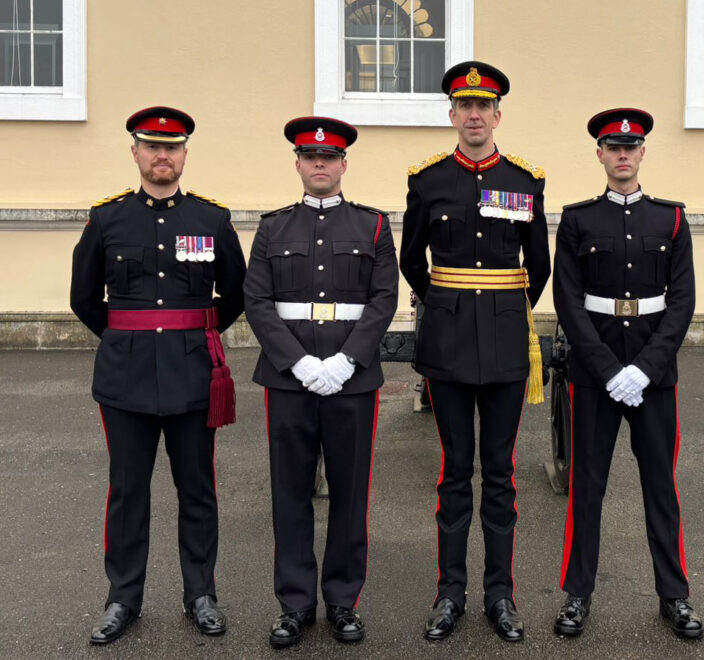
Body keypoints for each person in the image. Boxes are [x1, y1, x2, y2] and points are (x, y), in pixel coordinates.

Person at [70, 106, 246, 644]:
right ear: (136, 153)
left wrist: (194, 336)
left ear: (185, 155)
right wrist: (128, 339)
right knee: (128, 491)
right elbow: (83, 298)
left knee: (197, 490)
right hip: (125, 380)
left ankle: (201, 594)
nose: (161, 155)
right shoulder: (107, 219)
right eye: (151, 146)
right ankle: (123, 598)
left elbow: (235, 294)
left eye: (171, 147)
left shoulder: (211, 220)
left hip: (194, 376)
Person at [400, 61, 550, 642]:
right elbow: (414, 259)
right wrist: (447, 305)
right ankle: (449, 594)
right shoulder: (428, 179)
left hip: (507, 341)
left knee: (502, 475)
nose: (474, 115)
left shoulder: (525, 179)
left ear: (498, 114)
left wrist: (503, 309)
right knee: (454, 472)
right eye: (464, 106)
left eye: (484, 106)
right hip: (449, 341)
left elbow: (537, 264)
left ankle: (501, 596)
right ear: (452, 115)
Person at [243, 116, 398, 648]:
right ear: (298, 165)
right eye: (311, 158)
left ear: (343, 165)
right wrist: (299, 363)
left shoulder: (373, 227)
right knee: (290, 495)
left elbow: (383, 301)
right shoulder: (272, 228)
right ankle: (294, 604)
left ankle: (342, 601)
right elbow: (257, 302)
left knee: (351, 496)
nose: (320, 166)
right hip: (290, 382)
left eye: (329, 158)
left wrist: (347, 360)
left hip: (351, 382)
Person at [551, 108, 702, 640]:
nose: (622, 154)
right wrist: (608, 368)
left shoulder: (672, 219)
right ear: (599, 154)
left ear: (642, 153)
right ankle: (576, 594)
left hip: (653, 374)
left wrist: (645, 368)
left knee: (661, 486)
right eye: (612, 147)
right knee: (586, 487)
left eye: (630, 147)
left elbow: (682, 301)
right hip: (596, 373)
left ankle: (674, 595)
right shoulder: (577, 219)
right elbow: (568, 302)